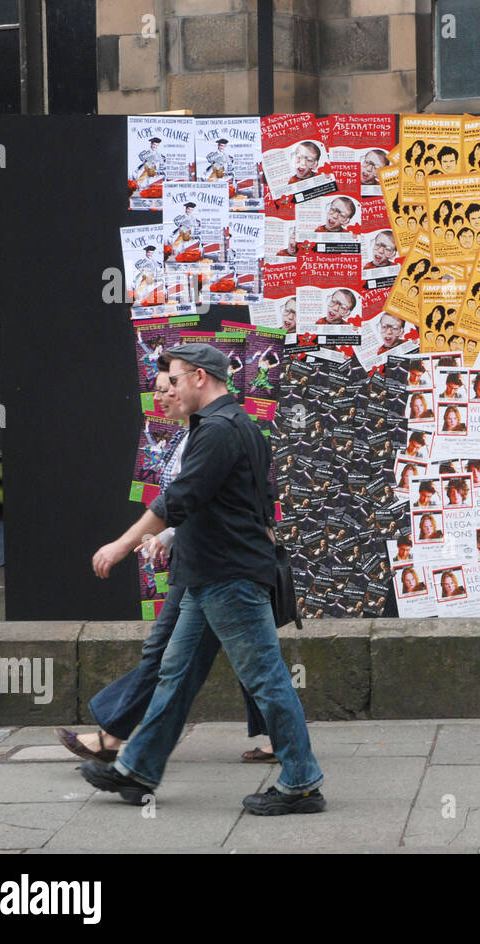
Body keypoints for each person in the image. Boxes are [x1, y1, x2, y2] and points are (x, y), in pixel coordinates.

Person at [82, 342, 325, 814]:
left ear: (199, 377)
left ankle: (301, 782)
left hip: (229, 577)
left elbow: (179, 499)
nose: (167, 389)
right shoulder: (232, 425)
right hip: (208, 575)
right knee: (175, 675)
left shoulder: (219, 430)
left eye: (173, 380)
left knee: (268, 681)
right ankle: (137, 770)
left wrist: (121, 543)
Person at [59, 368, 275, 764]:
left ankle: (115, 739)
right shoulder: (192, 435)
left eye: (168, 388)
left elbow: (189, 501)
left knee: (172, 653)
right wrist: (167, 536)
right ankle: (287, 745)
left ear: (195, 383)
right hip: (207, 562)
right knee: (248, 656)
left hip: (212, 564)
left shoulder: (212, 433)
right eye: (159, 389)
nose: (162, 397)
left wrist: (148, 539)